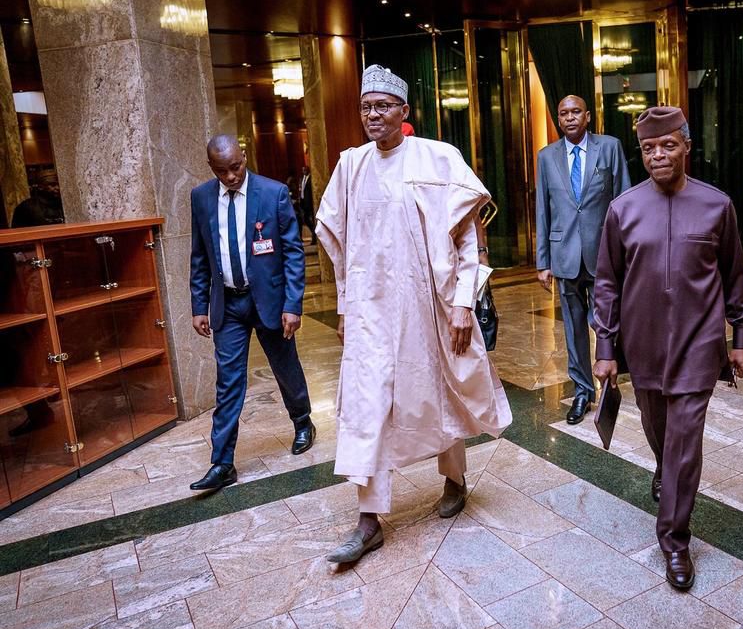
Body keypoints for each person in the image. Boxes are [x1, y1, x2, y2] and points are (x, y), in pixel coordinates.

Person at [316, 65, 511, 564]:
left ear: (405, 111)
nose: (373, 115)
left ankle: (454, 478)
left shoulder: (437, 157)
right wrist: (344, 306)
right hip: (369, 313)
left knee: (440, 390)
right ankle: (368, 521)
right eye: (365, 107)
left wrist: (464, 303)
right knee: (367, 404)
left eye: (383, 106)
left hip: (428, 305)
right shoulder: (350, 166)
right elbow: (339, 246)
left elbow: (467, 240)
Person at [592, 106, 743, 591]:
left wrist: (740, 336)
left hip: (699, 344)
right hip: (641, 347)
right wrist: (605, 345)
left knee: (685, 441)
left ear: (686, 146)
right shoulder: (623, 209)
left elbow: (735, 277)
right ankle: (666, 468)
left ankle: (674, 539)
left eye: (668, 145)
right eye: (648, 148)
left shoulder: (716, 205)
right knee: (657, 428)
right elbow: (606, 283)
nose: (658, 155)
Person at [189, 135, 317, 491]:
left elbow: (292, 253)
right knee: (228, 382)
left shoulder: (272, 193)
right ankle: (222, 462)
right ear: (211, 168)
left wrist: (293, 305)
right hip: (228, 305)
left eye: (236, 167)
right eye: (222, 171)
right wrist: (200, 305)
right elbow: (199, 256)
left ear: (244, 156)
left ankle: (303, 421)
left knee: (285, 366)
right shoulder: (201, 198)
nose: (231, 176)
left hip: (270, 302)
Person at [535, 94, 631, 424]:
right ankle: (582, 391)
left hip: (603, 252)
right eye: (564, 113)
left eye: (576, 112)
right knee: (573, 329)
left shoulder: (609, 147)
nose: (570, 118)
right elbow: (543, 210)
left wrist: (626, 251)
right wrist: (543, 261)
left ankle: (611, 374)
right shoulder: (546, 157)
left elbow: (624, 201)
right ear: (558, 119)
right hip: (564, 254)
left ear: (587, 116)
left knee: (604, 320)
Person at [299, 165, 316, 245]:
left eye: (305, 170)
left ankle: (314, 237)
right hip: (303, 203)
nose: (304, 171)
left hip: (310, 203)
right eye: (303, 170)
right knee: (305, 219)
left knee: (312, 220)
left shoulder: (311, 178)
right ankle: (313, 231)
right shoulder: (302, 178)